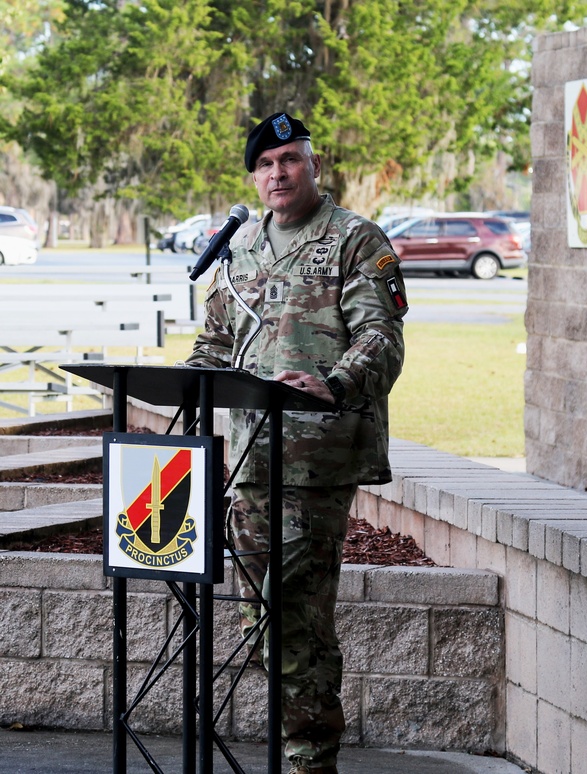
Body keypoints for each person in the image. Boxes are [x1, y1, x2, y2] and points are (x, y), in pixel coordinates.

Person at [186, 112, 407, 774]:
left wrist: (332, 381)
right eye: (265, 164)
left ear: (314, 165)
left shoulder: (354, 240)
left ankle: (311, 763)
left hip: (316, 460)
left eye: (289, 159)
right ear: (254, 179)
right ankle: (302, 754)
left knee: (295, 624)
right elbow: (214, 345)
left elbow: (382, 338)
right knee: (267, 625)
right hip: (251, 462)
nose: (277, 173)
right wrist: (181, 383)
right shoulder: (243, 249)